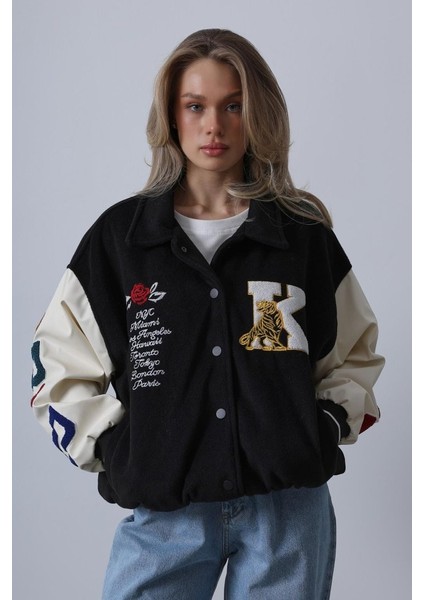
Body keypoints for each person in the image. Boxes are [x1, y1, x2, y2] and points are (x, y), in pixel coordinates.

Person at [31, 28, 385, 600]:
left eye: (233, 106)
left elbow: (355, 355)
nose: (213, 126)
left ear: (258, 114)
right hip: (166, 514)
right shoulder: (120, 240)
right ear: (171, 116)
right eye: (195, 106)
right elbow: (56, 364)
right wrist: (119, 452)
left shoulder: (301, 237)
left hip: (287, 513)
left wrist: (321, 428)